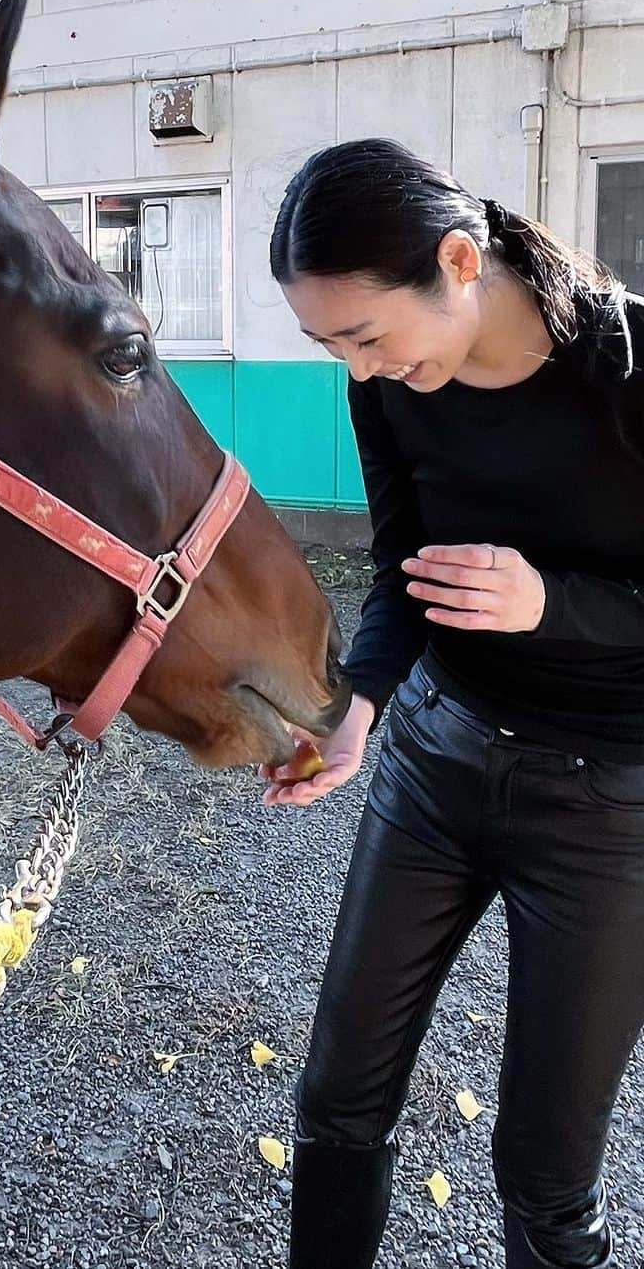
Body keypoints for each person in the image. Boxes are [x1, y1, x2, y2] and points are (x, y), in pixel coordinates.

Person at [262, 138, 644, 1268]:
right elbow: (402, 571)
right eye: (328, 346)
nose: (360, 371)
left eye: (366, 335)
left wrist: (550, 603)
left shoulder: (627, 369)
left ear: (460, 261)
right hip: (438, 764)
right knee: (338, 1094)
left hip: (609, 809)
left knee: (545, 1172)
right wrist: (360, 704)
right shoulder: (391, 392)